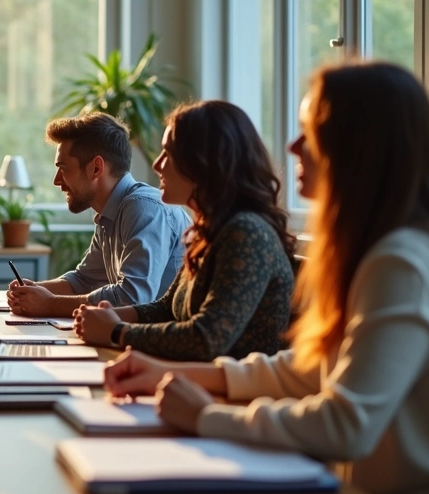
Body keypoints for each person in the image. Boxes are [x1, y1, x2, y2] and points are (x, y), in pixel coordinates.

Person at [104, 61, 429, 494]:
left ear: (360, 148)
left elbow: (345, 425)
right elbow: (315, 368)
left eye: (309, 131)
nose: (292, 146)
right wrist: (194, 379)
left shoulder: (404, 262)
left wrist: (207, 415)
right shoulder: (386, 249)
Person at [72, 101, 294, 360]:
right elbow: (166, 308)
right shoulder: (209, 231)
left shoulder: (246, 232)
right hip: (196, 382)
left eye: (169, 153)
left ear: (205, 161)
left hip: (232, 396)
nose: (157, 165)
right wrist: (107, 316)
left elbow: (206, 339)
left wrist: (117, 332)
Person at [8, 113, 190, 317]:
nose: (56, 181)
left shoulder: (144, 208)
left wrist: (49, 304)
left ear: (96, 167)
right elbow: (84, 280)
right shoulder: (110, 212)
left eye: (63, 168)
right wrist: (32, 292)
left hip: (162, 342)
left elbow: (132, 298)